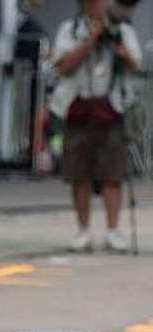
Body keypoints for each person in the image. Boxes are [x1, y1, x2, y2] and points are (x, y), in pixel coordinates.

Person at [50, 0, 142, 253]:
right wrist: (90, 41)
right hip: (78, 107)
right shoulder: (70, 29)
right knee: (79, 174)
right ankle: (83, 230)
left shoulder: (123, 30)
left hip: (111, 107)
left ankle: (113, 230)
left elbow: (137, 65)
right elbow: (63, 65)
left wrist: (122, 53)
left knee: (113, 173)